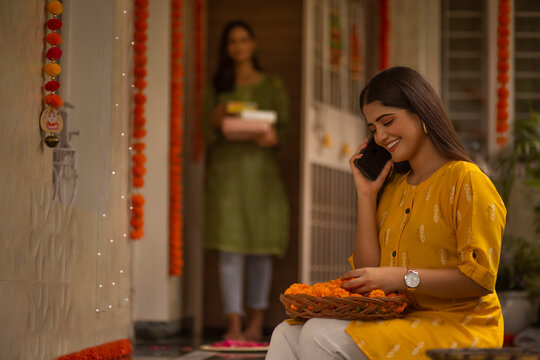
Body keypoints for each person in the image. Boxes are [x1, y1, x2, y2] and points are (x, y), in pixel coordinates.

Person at [266, 66, 506, 359]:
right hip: (402, 318)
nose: (380, 137)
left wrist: (402, 277)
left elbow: (480, 279)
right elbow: (371, 275)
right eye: (372, 129)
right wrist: (366, 196)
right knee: (286, 333)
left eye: (387, 121)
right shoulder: (394, 189)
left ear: (421, 112)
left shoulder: (466, 180)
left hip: (461, 326)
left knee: (320, 336)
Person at [202, 20, 289, 342]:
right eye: (232, 42)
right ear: (226, 49)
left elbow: (284, 133)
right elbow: (206, 131)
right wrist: (217, 116)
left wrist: (269, 136)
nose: (238, 47)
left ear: (253, 44)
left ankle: (256, 323)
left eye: (243, 40)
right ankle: (234, 325)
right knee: (230, 251)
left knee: (260, 250)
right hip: (226, 177)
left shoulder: (272, 86)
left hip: (261, 177)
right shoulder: (218, 85)